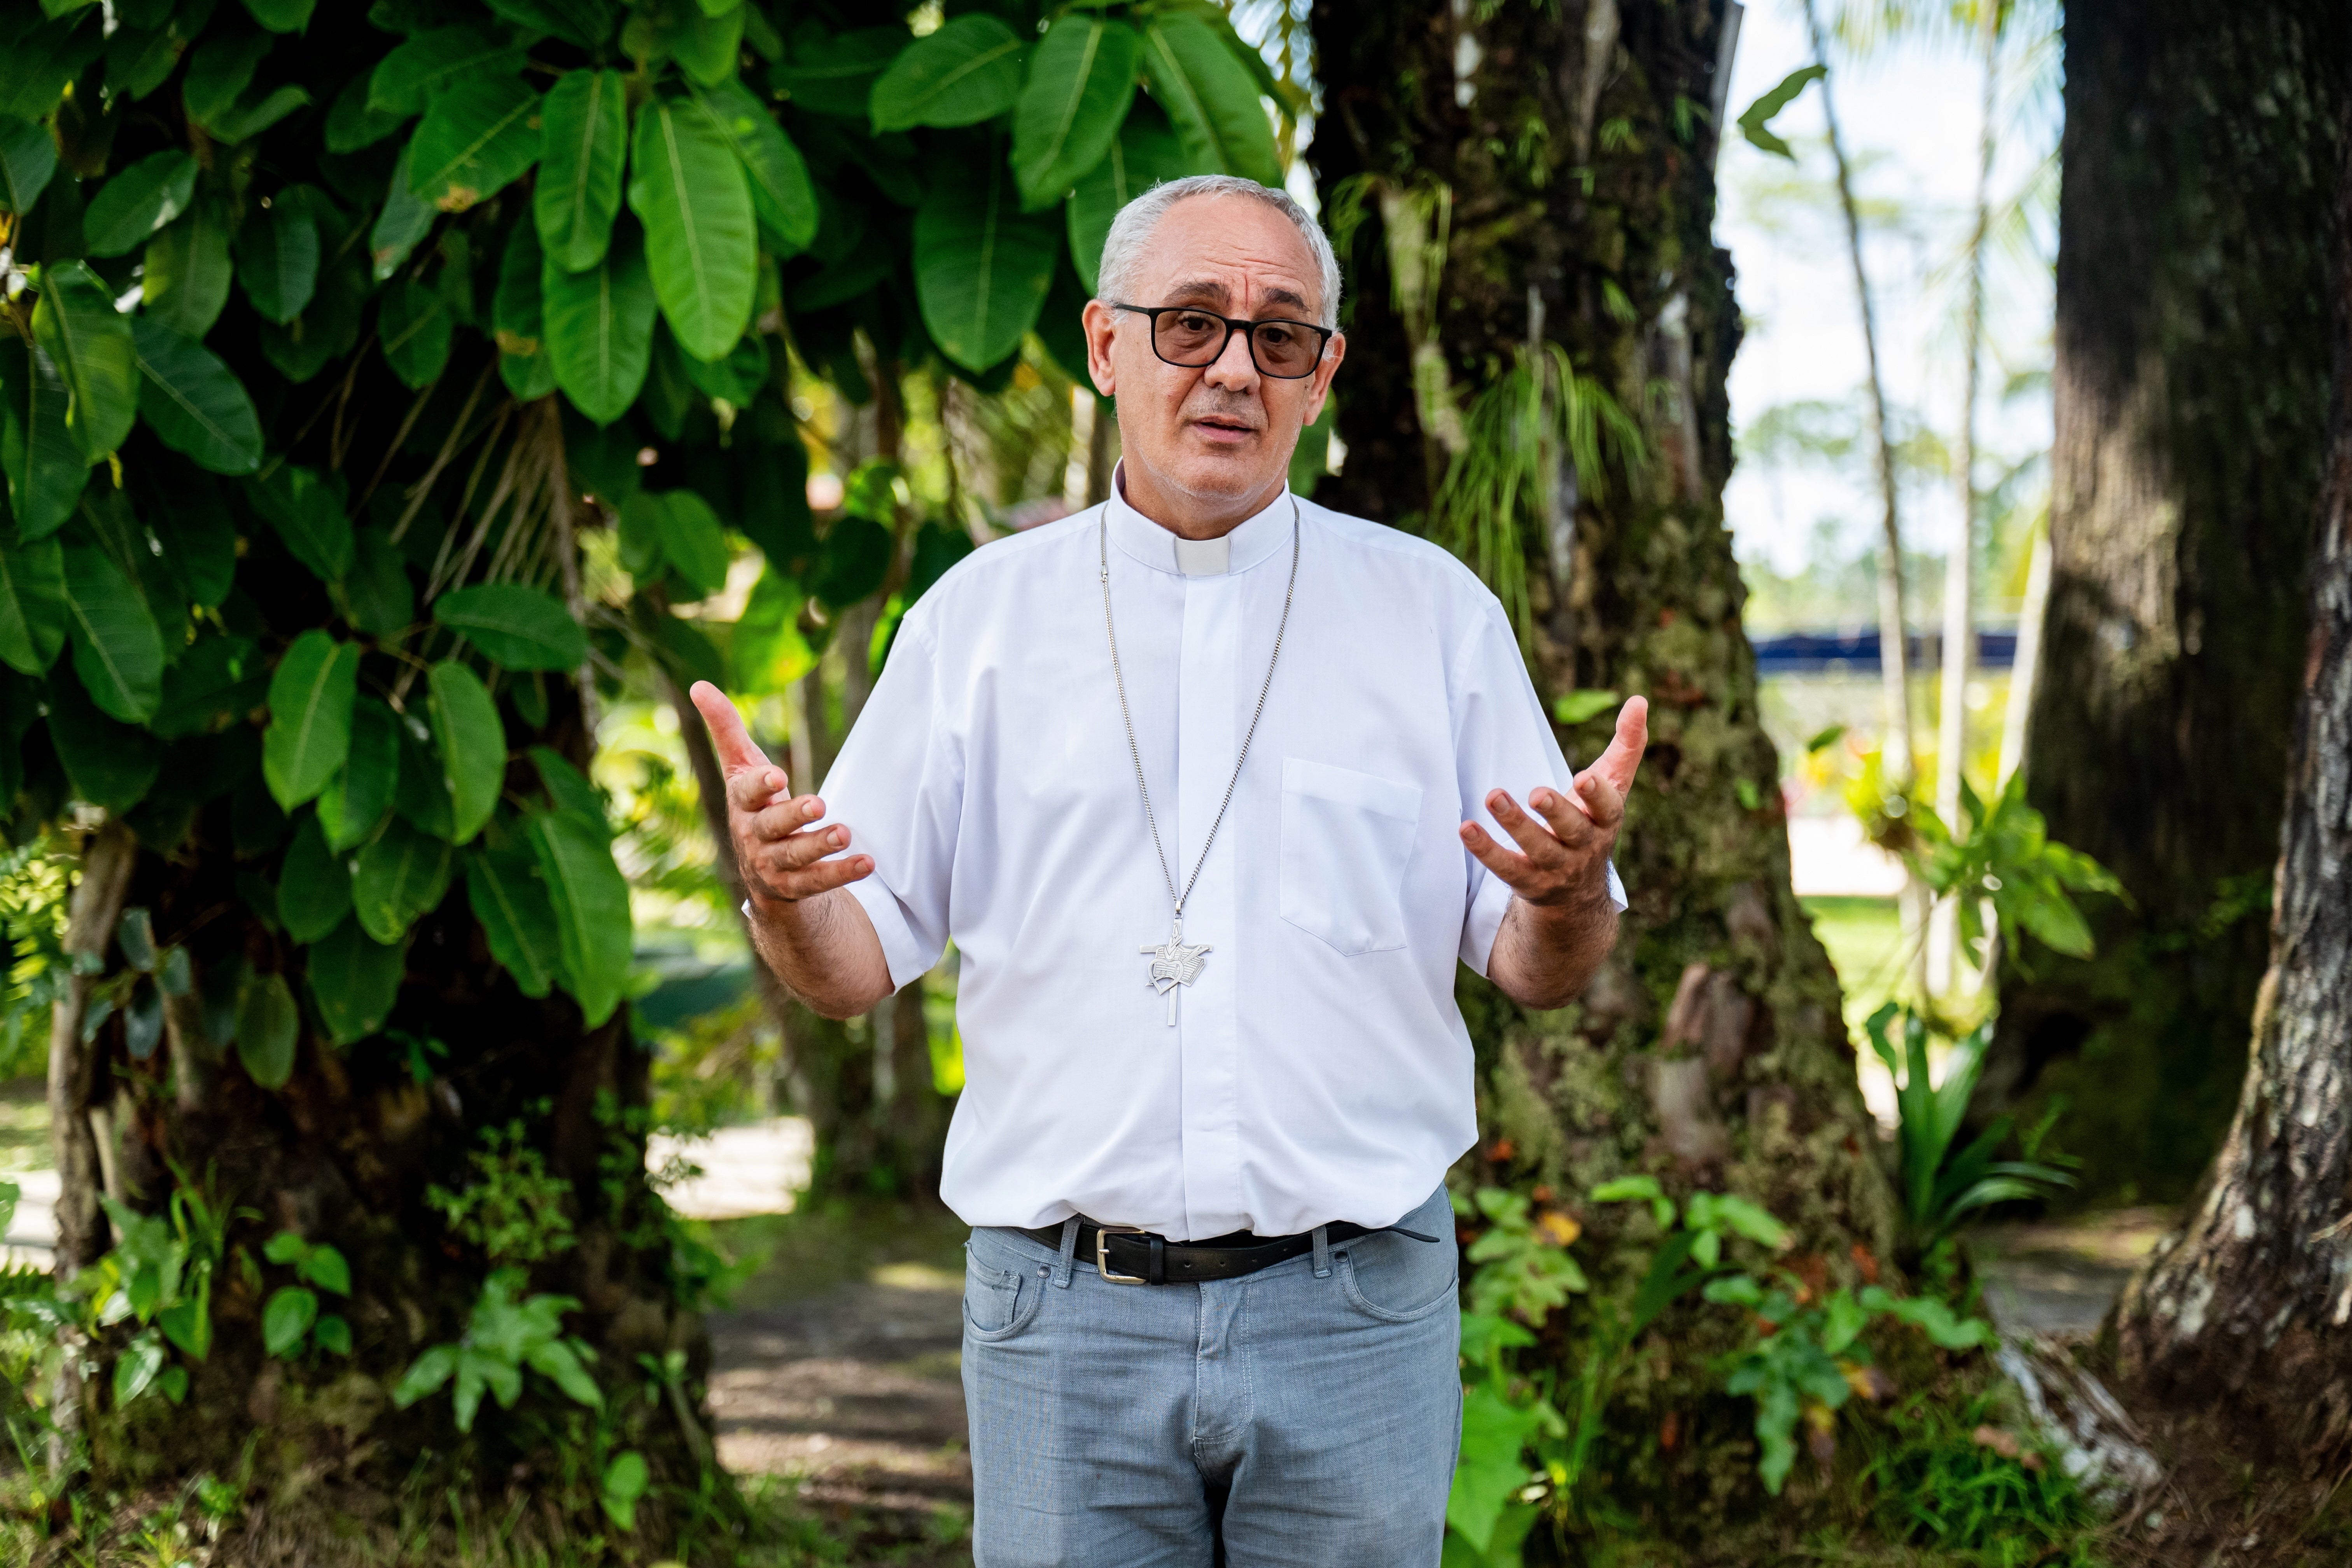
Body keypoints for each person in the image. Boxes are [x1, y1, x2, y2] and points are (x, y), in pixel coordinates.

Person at [691, 173, 1647, 1568]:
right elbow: (854, 968)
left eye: (1279, 336)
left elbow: (1531, 961)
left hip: (1357, 1312)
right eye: (1189, 323)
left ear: (1323, 376)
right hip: (1064, 1322)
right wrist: (783, 893)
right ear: (1105, 346)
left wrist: (1563, 897)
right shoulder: (979, 625)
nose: (1232, 371)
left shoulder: (1431, 616)